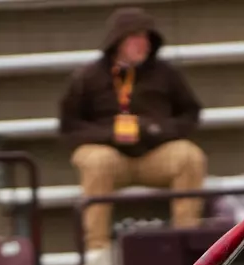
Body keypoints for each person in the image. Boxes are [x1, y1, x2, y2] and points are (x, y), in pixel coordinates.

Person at [59, 6, 205, 252]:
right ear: (117, 41)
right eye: (135, 37)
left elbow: (191, 114)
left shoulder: (166, 73)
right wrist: (109, 135)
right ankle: (96, 248)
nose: (143, 44)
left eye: (146, 37)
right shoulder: (88, 76)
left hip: (154, 154)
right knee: (97, 161)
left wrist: (156, 129)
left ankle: (186, 239)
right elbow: (69, 126)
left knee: (189, 156)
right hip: (109, 156)